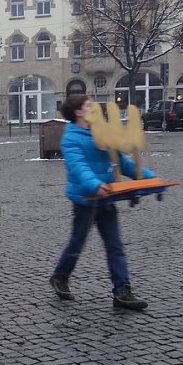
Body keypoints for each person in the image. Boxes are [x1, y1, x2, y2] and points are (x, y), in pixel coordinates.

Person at [49, 94, 153, 310]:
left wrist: (149, 177)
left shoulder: (101, 133)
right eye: (89, 106)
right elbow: (78, 167)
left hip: (108, 197)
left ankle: (122, 291)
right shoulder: (71, 138)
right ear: (78, 112)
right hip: (86, 200)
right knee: (77, 243)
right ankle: (60, 276)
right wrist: (94, 184)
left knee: (114, 245)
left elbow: (121, 162)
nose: (95, 108)